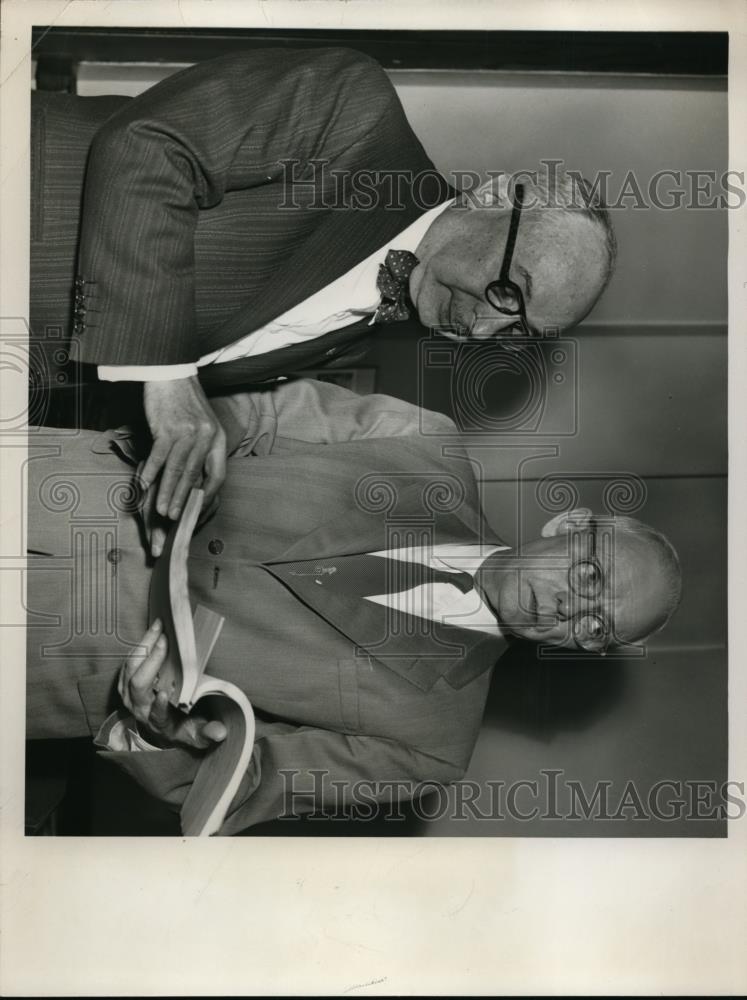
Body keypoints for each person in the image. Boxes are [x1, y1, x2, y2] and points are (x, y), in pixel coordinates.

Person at [25, 379, 680, 835]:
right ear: (568, 524)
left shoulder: (431, 748)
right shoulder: (424, 441)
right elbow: (255, 416)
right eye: (588, 574)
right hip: (50, 487)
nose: (571, 606)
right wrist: (186, 456)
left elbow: (228, 790)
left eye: (594, 627)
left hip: (42, 668)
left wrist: (155, 732)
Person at [32, 47, 616, 551]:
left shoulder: (353, 336)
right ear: (493, 195)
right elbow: (148, 147)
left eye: (519, 333)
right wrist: (168, 380)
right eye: (512, 291)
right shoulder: (356, 110)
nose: (485, 330)